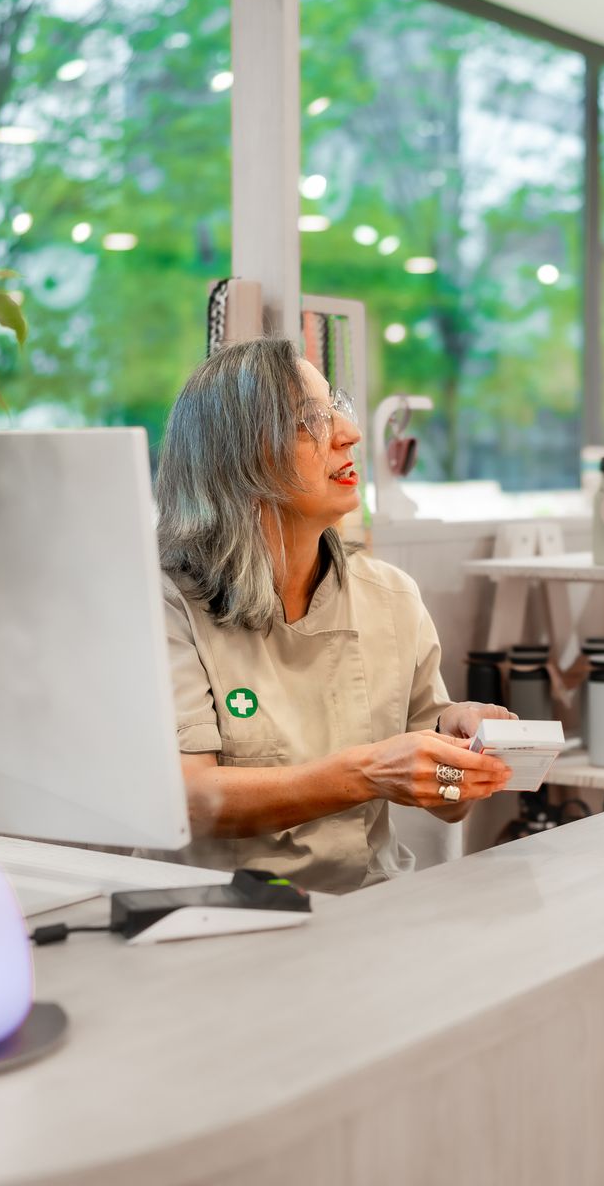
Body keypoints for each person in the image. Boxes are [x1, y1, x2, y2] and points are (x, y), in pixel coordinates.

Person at [157, 338, 513, 894]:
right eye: (309, 422)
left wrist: (457, 748)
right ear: (236, 456)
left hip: (366, 909)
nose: (348, 434)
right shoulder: (167, 605)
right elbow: (191, 800)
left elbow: (448, 810)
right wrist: (368, 773)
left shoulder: (390, 596)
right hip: (214, 914)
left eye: (336, 410)